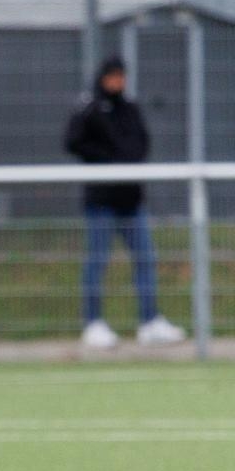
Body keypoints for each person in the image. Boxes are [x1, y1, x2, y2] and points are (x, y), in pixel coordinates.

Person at [64, 56, 185, 349]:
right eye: (113, 76)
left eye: (122, 76)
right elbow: (73, 141)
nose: (118, 81)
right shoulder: (90, 108)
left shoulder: (130, 108)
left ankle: (149, 321)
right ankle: (93, 323)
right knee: (97, 261)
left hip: (131, 200)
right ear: (103, 77)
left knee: (145, 258)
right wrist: (107, 160)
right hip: (102, 201)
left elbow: (141, 143)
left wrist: (127, 159)